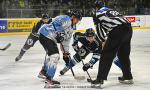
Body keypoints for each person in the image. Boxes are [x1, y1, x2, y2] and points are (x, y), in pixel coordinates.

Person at [91, 1, 133, 88]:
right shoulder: (110, 10)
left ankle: (99, 80)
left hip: (117, 30)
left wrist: (102, 41)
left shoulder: (97, 14)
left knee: (106, 54)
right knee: (123, 55)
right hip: (128, 28)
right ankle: (128, 77)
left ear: (96, 8)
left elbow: (99, 31)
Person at [37, 10, 82, 88]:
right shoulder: (66, 18)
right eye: (77, 19)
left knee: (53, 56)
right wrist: (60, 33)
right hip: (46, 33)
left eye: (78, 20)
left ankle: (43, 72)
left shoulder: (71, 29)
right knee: (55, 56)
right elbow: (57, 21)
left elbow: (66, 42)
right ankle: (49, 80)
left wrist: (66, 54)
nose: (77, 21)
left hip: (49, 37)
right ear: (73, 17)